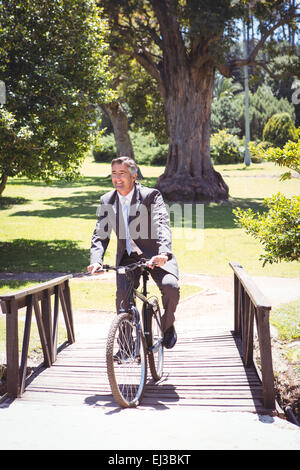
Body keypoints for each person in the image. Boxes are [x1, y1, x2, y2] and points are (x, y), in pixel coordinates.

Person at [87, 156, 179, 349]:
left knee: (171, 287)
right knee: (123, 298)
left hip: (155, 254)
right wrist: (96, 260)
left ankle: (167, 324)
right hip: (128, 258)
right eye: (114, 174)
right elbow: (100, 234)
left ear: (134, 176)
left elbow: (161, 224)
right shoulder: (107, 200)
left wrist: (163, 253)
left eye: (122, 173)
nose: (117, 178)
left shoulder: (150, 196)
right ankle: (127, 346)